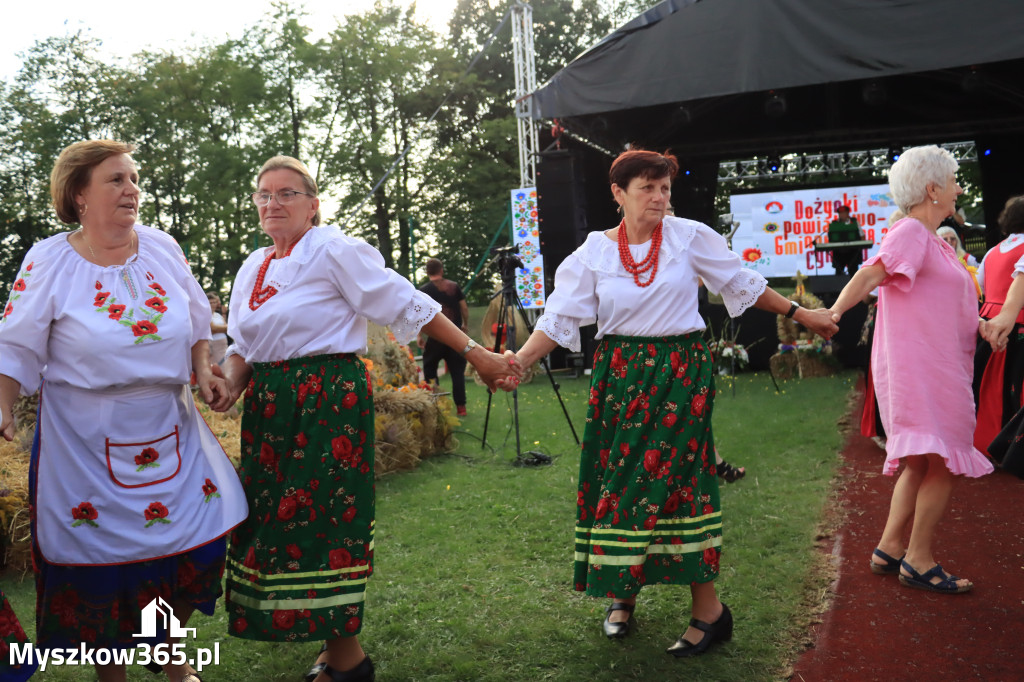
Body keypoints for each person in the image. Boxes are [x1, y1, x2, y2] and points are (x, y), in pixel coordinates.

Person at [501, 148, 837, 657]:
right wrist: (520, 361)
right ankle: (622, 592)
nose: (659, 198)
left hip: (681, 373)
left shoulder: (689, 237)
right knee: (619, 479)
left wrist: (801, 314)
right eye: (647, 189)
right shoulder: (593, 252)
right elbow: (559, 318)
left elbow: (741, 283)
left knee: (677, 480)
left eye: (664, 188)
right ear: (618, 194)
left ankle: (709, 610)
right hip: (619, 378)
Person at [209, 156, 517, 682]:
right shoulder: (252, 266)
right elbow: (244, 345)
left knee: (325, 516)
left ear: (313, 204)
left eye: (286, 193)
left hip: (326, 398)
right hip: (273, 407)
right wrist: (229, 382)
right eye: (264, 194)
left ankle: (348, 657)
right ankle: (335, 649)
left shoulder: (332, 249)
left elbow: (407, 302)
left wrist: (478, 355)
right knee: (276, 518)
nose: (272, 203)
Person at [0, 140, 247, 682]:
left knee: (195, 547)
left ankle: (171, 656)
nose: (132, 189)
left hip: (170, 425)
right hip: (84, 438)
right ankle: (113, 676)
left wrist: (203, 369)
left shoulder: (160, 245)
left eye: (134, 179)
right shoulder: (49, 260)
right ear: (78, 195)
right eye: (116, 179)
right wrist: (5, 406)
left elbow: (193, 315)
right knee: (102, 570)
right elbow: (16, 343)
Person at [828, 145, 992, 593]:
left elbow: (941, 304)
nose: (960, 189)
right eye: (955, 181)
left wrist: (983, 325)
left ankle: (889, 547)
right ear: (933, 189)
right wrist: (833, 314)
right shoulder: (912, 233)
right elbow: (869, 274)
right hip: (925, 369)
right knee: (943, 462)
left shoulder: (932, 240)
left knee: (920, 462)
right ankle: (918, 559)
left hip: (932, 364)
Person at [971, 196, 1024, 456]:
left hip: (987, 326)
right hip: (1016, 324)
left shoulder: (993, 251)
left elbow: (977, 289)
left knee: (988, 388)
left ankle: (988, 445)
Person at [418, 257, 470, 416]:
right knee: (457, 372)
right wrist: (464, 325)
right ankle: (461, 407)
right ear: (441, 270)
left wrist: (420, 335)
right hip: (454, 337)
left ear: (427, 272)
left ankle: (436, 405)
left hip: (435, 338)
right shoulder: (453, 286)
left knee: (430, 369)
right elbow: (464, 307)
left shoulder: (423, 290)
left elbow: (419, 314)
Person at [827, 205, 866, 276]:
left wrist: (860, 244)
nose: (842, 215)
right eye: (840, 213)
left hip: (852, 252)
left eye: (844, 213)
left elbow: (862, 236)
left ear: (848, 213)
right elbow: (831, 238)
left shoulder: (854, 222)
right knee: (838, 273)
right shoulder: (834, 224)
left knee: (853, 272)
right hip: (839, 252)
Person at [207, 292, 229, 365]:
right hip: (214, 344)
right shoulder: (206, 315)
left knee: (226, 365)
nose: (213, 305)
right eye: (210, 303)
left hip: (223, 344)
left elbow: (226, 328)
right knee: (218, 366)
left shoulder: (218, 315)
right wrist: (228, 327)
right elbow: (213, 329)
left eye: (214, 302)